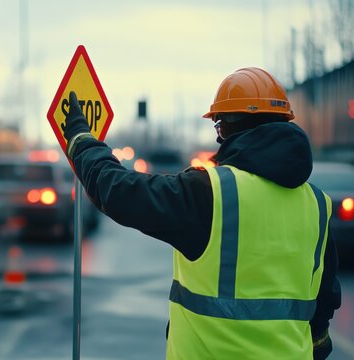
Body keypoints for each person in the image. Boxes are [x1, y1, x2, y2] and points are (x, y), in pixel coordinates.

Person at [62, 67, 341, 359]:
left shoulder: (211, 192)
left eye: (219, 127)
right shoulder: (316, 205)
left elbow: (120, 191)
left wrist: (81, 141)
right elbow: (323, 305)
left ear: (230, 128)